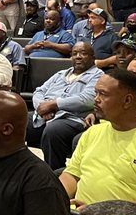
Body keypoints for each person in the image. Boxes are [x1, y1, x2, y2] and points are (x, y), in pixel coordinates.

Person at [59, 69, 136, 215]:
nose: (96, 99)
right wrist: (57, 198)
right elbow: (71, 175)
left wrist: (99, 212)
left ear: (127, 100)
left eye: (104, 94)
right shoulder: (92, 133)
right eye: (96, 93)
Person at [27, 41, 104, 170]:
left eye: (83, 53)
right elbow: (39, 91)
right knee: (18, 121)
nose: (78, 56)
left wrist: (54, 104)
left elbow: (87, 99)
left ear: (93, 58)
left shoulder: (98, 76)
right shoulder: (61, 74)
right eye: (75, 53)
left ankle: (53, 174)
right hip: (43, 115)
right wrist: (42, 107)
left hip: (72, 118)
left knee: (54, 131)